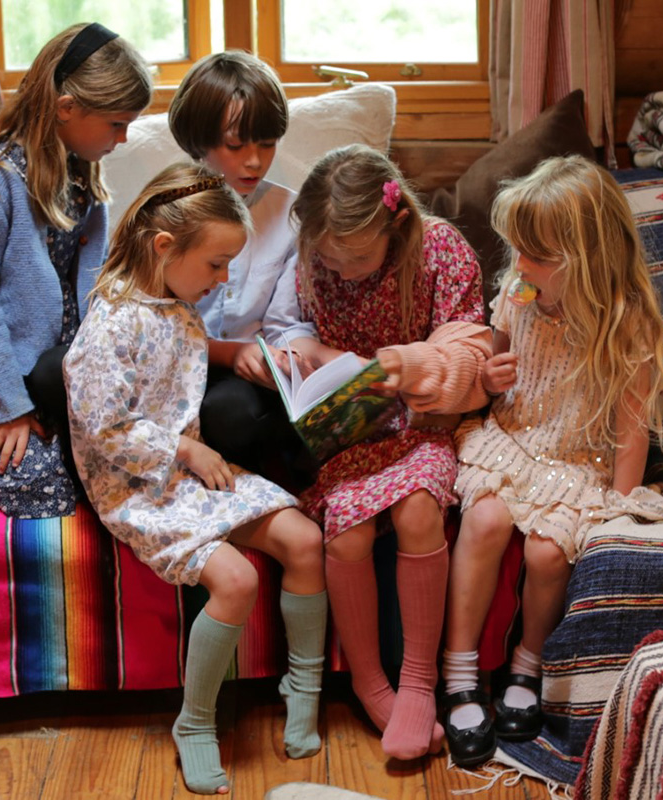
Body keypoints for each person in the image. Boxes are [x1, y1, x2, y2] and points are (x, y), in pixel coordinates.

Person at [63, 163, 328, 795]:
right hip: (138, 485)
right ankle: (196, 721)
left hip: (189, 468)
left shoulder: (177, 310)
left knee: (305, 541)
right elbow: (105, 431)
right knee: (234, 579)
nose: (223, 280)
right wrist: (182, 449)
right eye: (215, 265)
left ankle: (305, 681)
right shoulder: (111, 324)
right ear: (163, 248)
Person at [440, 155, 663, 767]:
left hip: (579, 455)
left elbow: (630, 431)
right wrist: (490, 377)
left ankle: (528, 665)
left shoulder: (624, 326)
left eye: (536, 255)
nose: (518, 265)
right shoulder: (519, 292)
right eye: (517, 249)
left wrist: (619, 509)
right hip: (516, 436)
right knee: (486, 520)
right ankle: (459, 669)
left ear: (587, 260)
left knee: (549, 550)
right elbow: (494, 364)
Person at [289, 144, 492, 760]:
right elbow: (298, 330)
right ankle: (369, 683)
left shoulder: (440, 250)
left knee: (418, 512)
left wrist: (412, 374)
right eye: (326, 257)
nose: (339, 270)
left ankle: (417, 682)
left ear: (395, 223)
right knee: (347, 534)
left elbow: (467, 346)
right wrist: (312, 360)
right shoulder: (318, 258)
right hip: (350, 432)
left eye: (352, 257)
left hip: (425, 424)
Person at [0, 22, 152, 518]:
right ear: (67, 108)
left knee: (120, 470)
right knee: (39, 489)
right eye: (116, 124)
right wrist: (8, 405)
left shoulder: (80, 171)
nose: (121, 139)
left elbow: (93, 277)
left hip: (57, 365)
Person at [168, 50, 315, 484]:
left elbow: (288, 321)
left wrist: (284, 358)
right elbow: (152, 322)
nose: (254, 160)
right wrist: (232, 354)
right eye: (236, 145)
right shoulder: (167, 207)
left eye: (267, 144)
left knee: (231, 413)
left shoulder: (291, 213)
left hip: (246, 380)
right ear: (199, 142)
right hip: (172, 362)